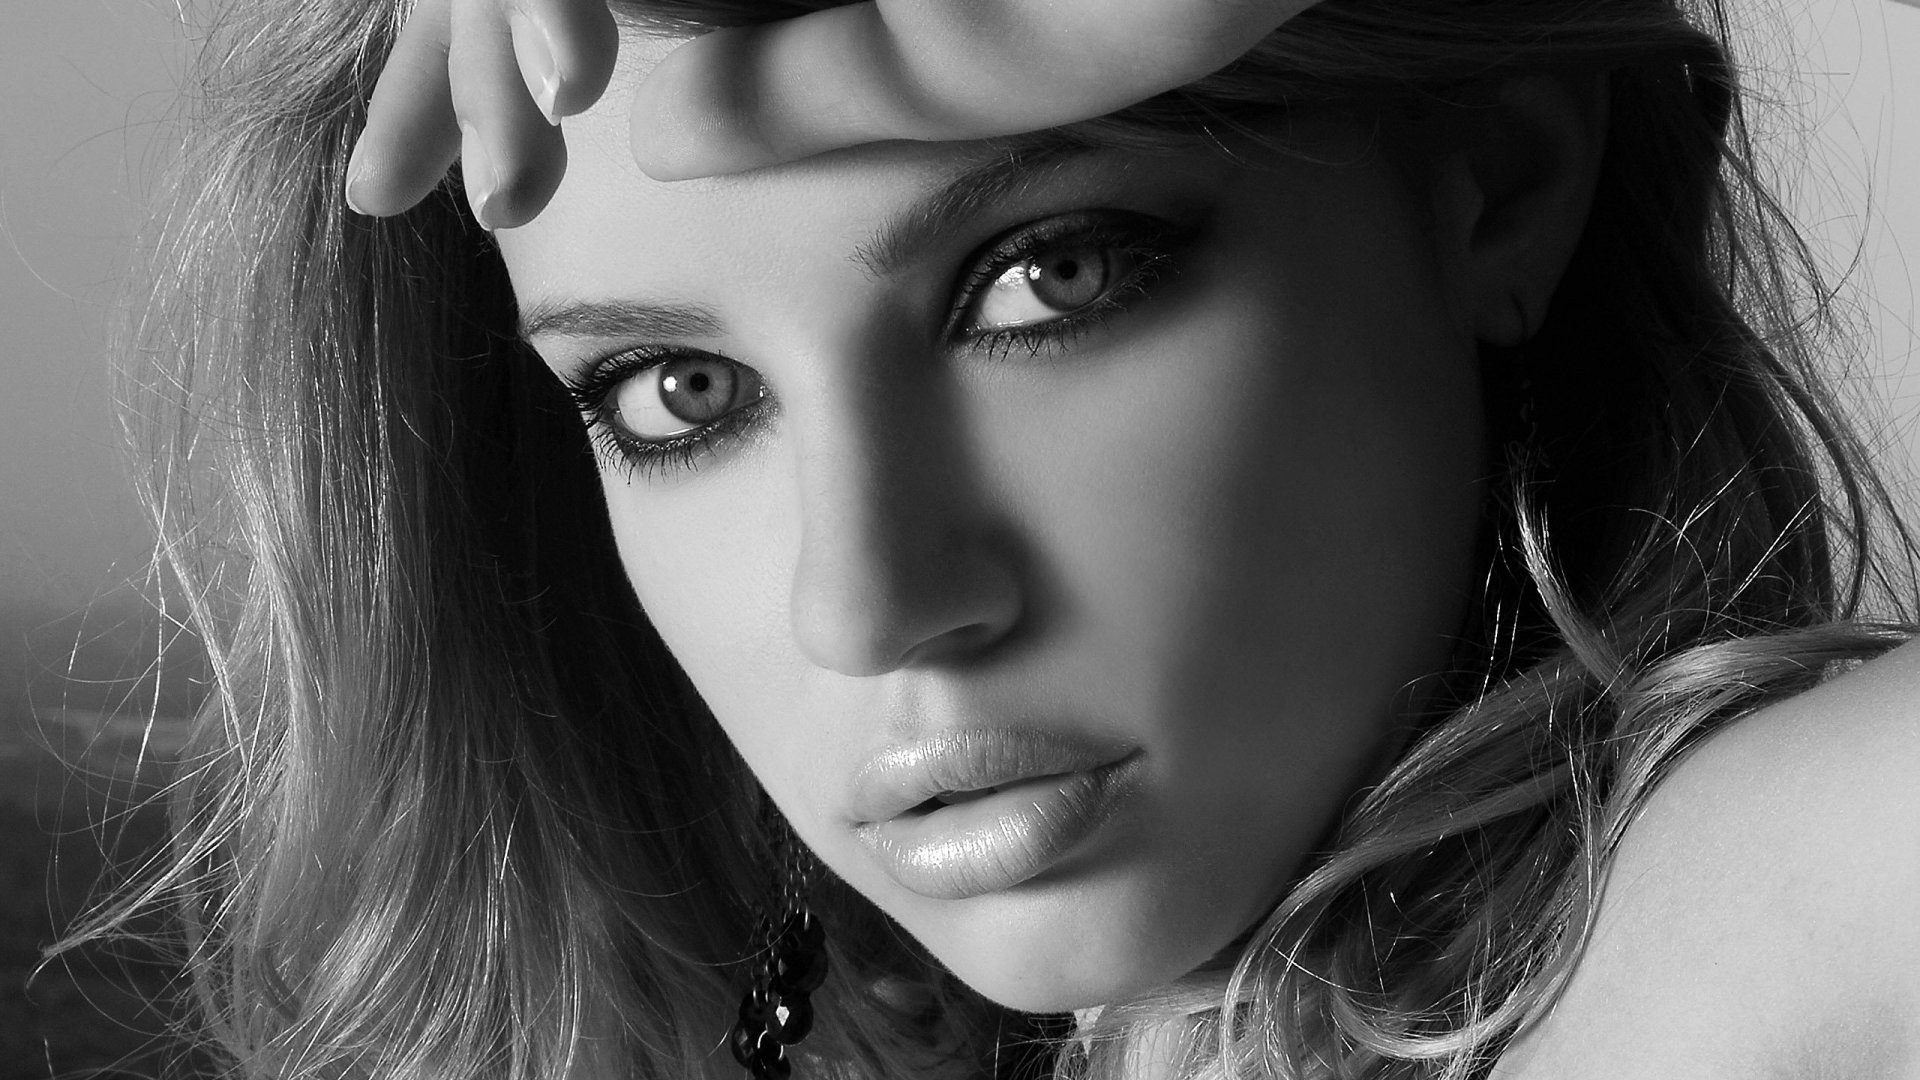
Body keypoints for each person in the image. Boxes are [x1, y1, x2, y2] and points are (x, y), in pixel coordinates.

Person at [67, 0, 1920, 1076]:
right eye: (677, 397)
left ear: (1497, 182)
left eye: (1050, 277)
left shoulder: (1736, 936)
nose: (867, 603)